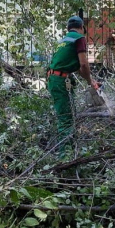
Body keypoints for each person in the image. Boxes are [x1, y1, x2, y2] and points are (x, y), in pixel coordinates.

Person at [47, 15, 98, 158]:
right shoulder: (79, 39)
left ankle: (72, 148)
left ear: (68, 29)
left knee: (69, 115)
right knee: (66, 118)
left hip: (55, 79)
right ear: (82, 28)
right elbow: (83, 64)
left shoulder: (63, 41)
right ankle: (65, 157)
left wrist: (91, 81)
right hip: (60, 80)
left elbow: (79, 69)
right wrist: (90, 82)